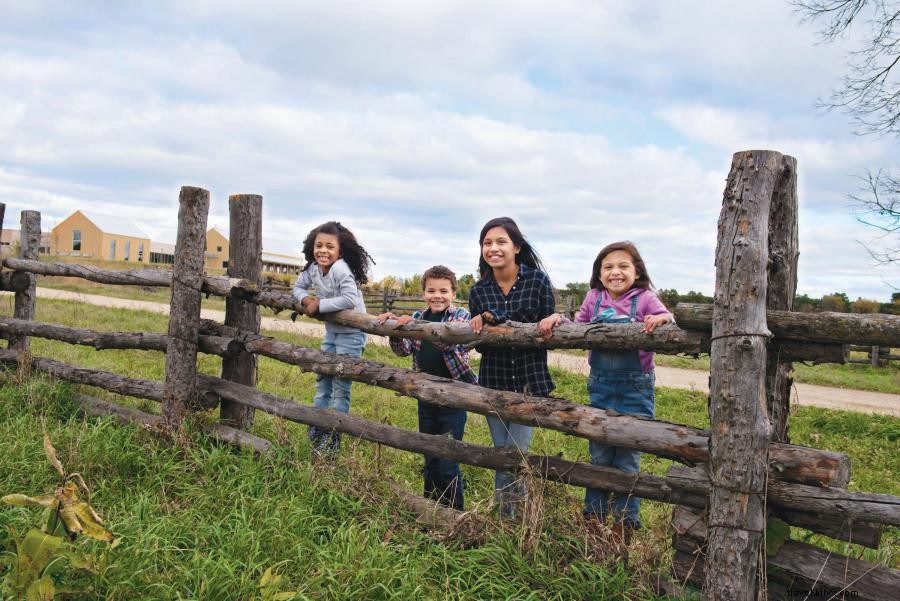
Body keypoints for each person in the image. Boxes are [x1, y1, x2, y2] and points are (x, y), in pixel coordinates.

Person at [539, 241, 672, 545]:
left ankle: (624, 524)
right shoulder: (594, 298)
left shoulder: (646, 299)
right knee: (599, 454)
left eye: (623, 266)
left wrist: (660, 319)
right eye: (608, 267)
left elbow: (669, 318)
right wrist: (559, 319)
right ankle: (594, 519)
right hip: (600, 383)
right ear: (599, 274)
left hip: (635, 386)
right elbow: (578, 328)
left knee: (627, 455)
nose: (616, 272)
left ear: (636, 270)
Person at [468, 217, 556, 518]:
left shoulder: (537, 281)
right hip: (494, 381)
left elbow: (551, 330)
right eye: (487, 243)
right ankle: (510, 519)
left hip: (529, 382)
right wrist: (480, 326)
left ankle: (511, 519)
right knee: (502, 453)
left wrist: (553, 321)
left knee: (516, 455)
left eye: (501, 241)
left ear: (516, 247)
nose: (493, 248)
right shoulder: (479, 291)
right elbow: (479, 344)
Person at [377, 265, 477, 510]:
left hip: (453, 398)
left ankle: (454, 514)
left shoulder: (461, 316)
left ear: (453, 293)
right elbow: (403, 351)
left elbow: (451, 345)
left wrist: (418, 327)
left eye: (443, 290)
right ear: (423, 293)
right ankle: (430, 511)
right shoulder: (419, 316)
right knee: (430, 456)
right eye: (431, 290)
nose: (437, 295)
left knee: (447, 460)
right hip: (425, 396)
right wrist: (397, 330)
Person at [292, 221, 374, 455]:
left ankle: (334, 436)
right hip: (332, 332)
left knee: (341, 385)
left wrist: (320, 305)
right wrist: (306, 301)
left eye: (330, 246)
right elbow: (297, 288)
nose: (323, 251)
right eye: (319, 245)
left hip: (352, 335)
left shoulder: (340, 269)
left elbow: (349, 299)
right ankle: (317, 428)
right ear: (312, 246)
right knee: (322, 380)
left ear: (339, 251)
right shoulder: (313, 269)